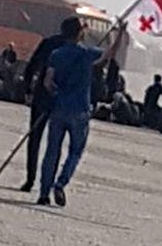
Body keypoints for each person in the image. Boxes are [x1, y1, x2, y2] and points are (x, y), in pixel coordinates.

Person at [37, 19, 126, 207]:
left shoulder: (56, 54)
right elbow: (109, 55)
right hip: (80, 109)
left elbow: (48, 82)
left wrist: (55, 93)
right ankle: (61, 183)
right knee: (75, 151)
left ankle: (44, 193)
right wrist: (118, 34)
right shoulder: (86, 54)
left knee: (52, 151)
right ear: (79, 33)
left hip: (59, 108)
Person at [20, 22, 72, 192]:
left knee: (34, 138)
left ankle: (30, 179)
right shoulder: (76, 50)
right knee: (55, 144)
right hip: (62, 100)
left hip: (41, 95)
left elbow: (32, 66)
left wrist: (28, 89)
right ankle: (47, 183)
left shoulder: (48, 43)